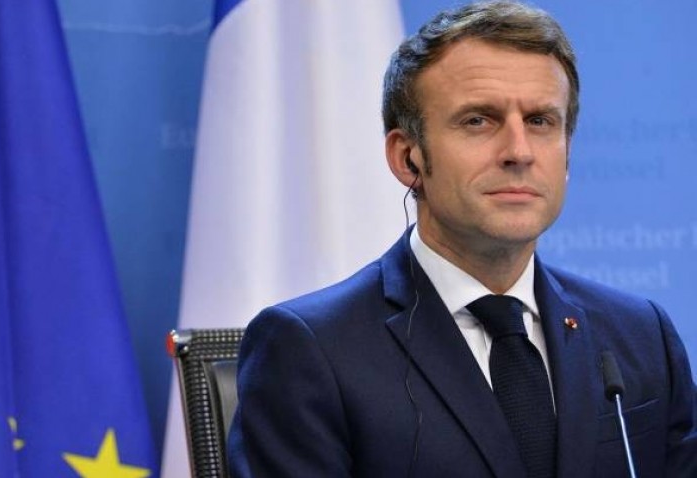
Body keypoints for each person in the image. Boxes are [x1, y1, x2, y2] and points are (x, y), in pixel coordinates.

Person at [227, 1, 697, 477]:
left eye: (540, 121)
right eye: (478, 121)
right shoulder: (309, 349)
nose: (519, 152)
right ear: (408, 157)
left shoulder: (641, 335)